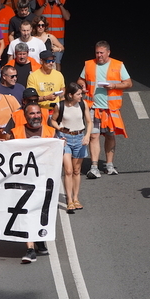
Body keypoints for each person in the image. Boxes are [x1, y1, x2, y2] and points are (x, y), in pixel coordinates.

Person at [77, 41, 132, 177]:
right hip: (93, 107)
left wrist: (114, 86)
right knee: (93, 135)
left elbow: (128, 83)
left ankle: (109, 165)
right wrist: (82, 86)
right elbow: (80, 80)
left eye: (102, 53)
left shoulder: (118, 65)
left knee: (110, 135)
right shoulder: (89, 64)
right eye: (97, 53)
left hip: (110, 109)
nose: (99, 55)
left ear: (108, 52)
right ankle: (94, 167)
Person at [11, 103, 56, 263]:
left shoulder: (51, 132)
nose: (36, 116)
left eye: (38, 113)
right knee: (26, 211)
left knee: (40, 211)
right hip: (24, 181)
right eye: (32, 114)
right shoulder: (15, 133)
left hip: (44, 180)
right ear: (25, 116)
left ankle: (39, 239)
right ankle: (30, 248)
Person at [50, 83, 93, 213]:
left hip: (80, 137)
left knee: (76, 170)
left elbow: (89, 122)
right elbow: (52, 120)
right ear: (70, 95)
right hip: (65, 138)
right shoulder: (60, 106)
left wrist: (87, 136)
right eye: (78, 94)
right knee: (68, 170)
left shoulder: (82, 104)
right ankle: (69, 200)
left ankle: (76, 198)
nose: (81, 96)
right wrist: (59, 129)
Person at [34, 0, 69, 70]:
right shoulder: (40, 1)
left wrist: (60, 4)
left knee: (57, 61)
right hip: (44, 37)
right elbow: (35, 16)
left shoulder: (62, 1)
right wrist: (45, 4)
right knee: (43, 60)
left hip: (58, 37)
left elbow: (67, 17)